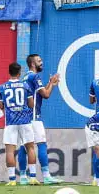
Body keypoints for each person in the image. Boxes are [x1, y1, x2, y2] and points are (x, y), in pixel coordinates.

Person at [25, 53, 62, 185]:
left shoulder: (26, 76)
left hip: (25, 117)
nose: (42, 62)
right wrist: (52, 83)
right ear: (33, 64)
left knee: (26, 147)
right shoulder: (35, 76)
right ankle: (46, 176)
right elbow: (45, 95)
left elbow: (39, 93)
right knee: (41, 144)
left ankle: (24, 177)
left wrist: (49, 83)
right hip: (35, 117)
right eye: (39, 61)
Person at [0, 62, 38, 186]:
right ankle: (32, 177)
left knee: (10, 151)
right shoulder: (25, 85)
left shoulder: (2, 87)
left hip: (10, 122)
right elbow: (32, 104)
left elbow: (0, 106)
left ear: (9, 72)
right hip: (25, 121)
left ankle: (12, 180)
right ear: (19, 72)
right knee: (30, 147)